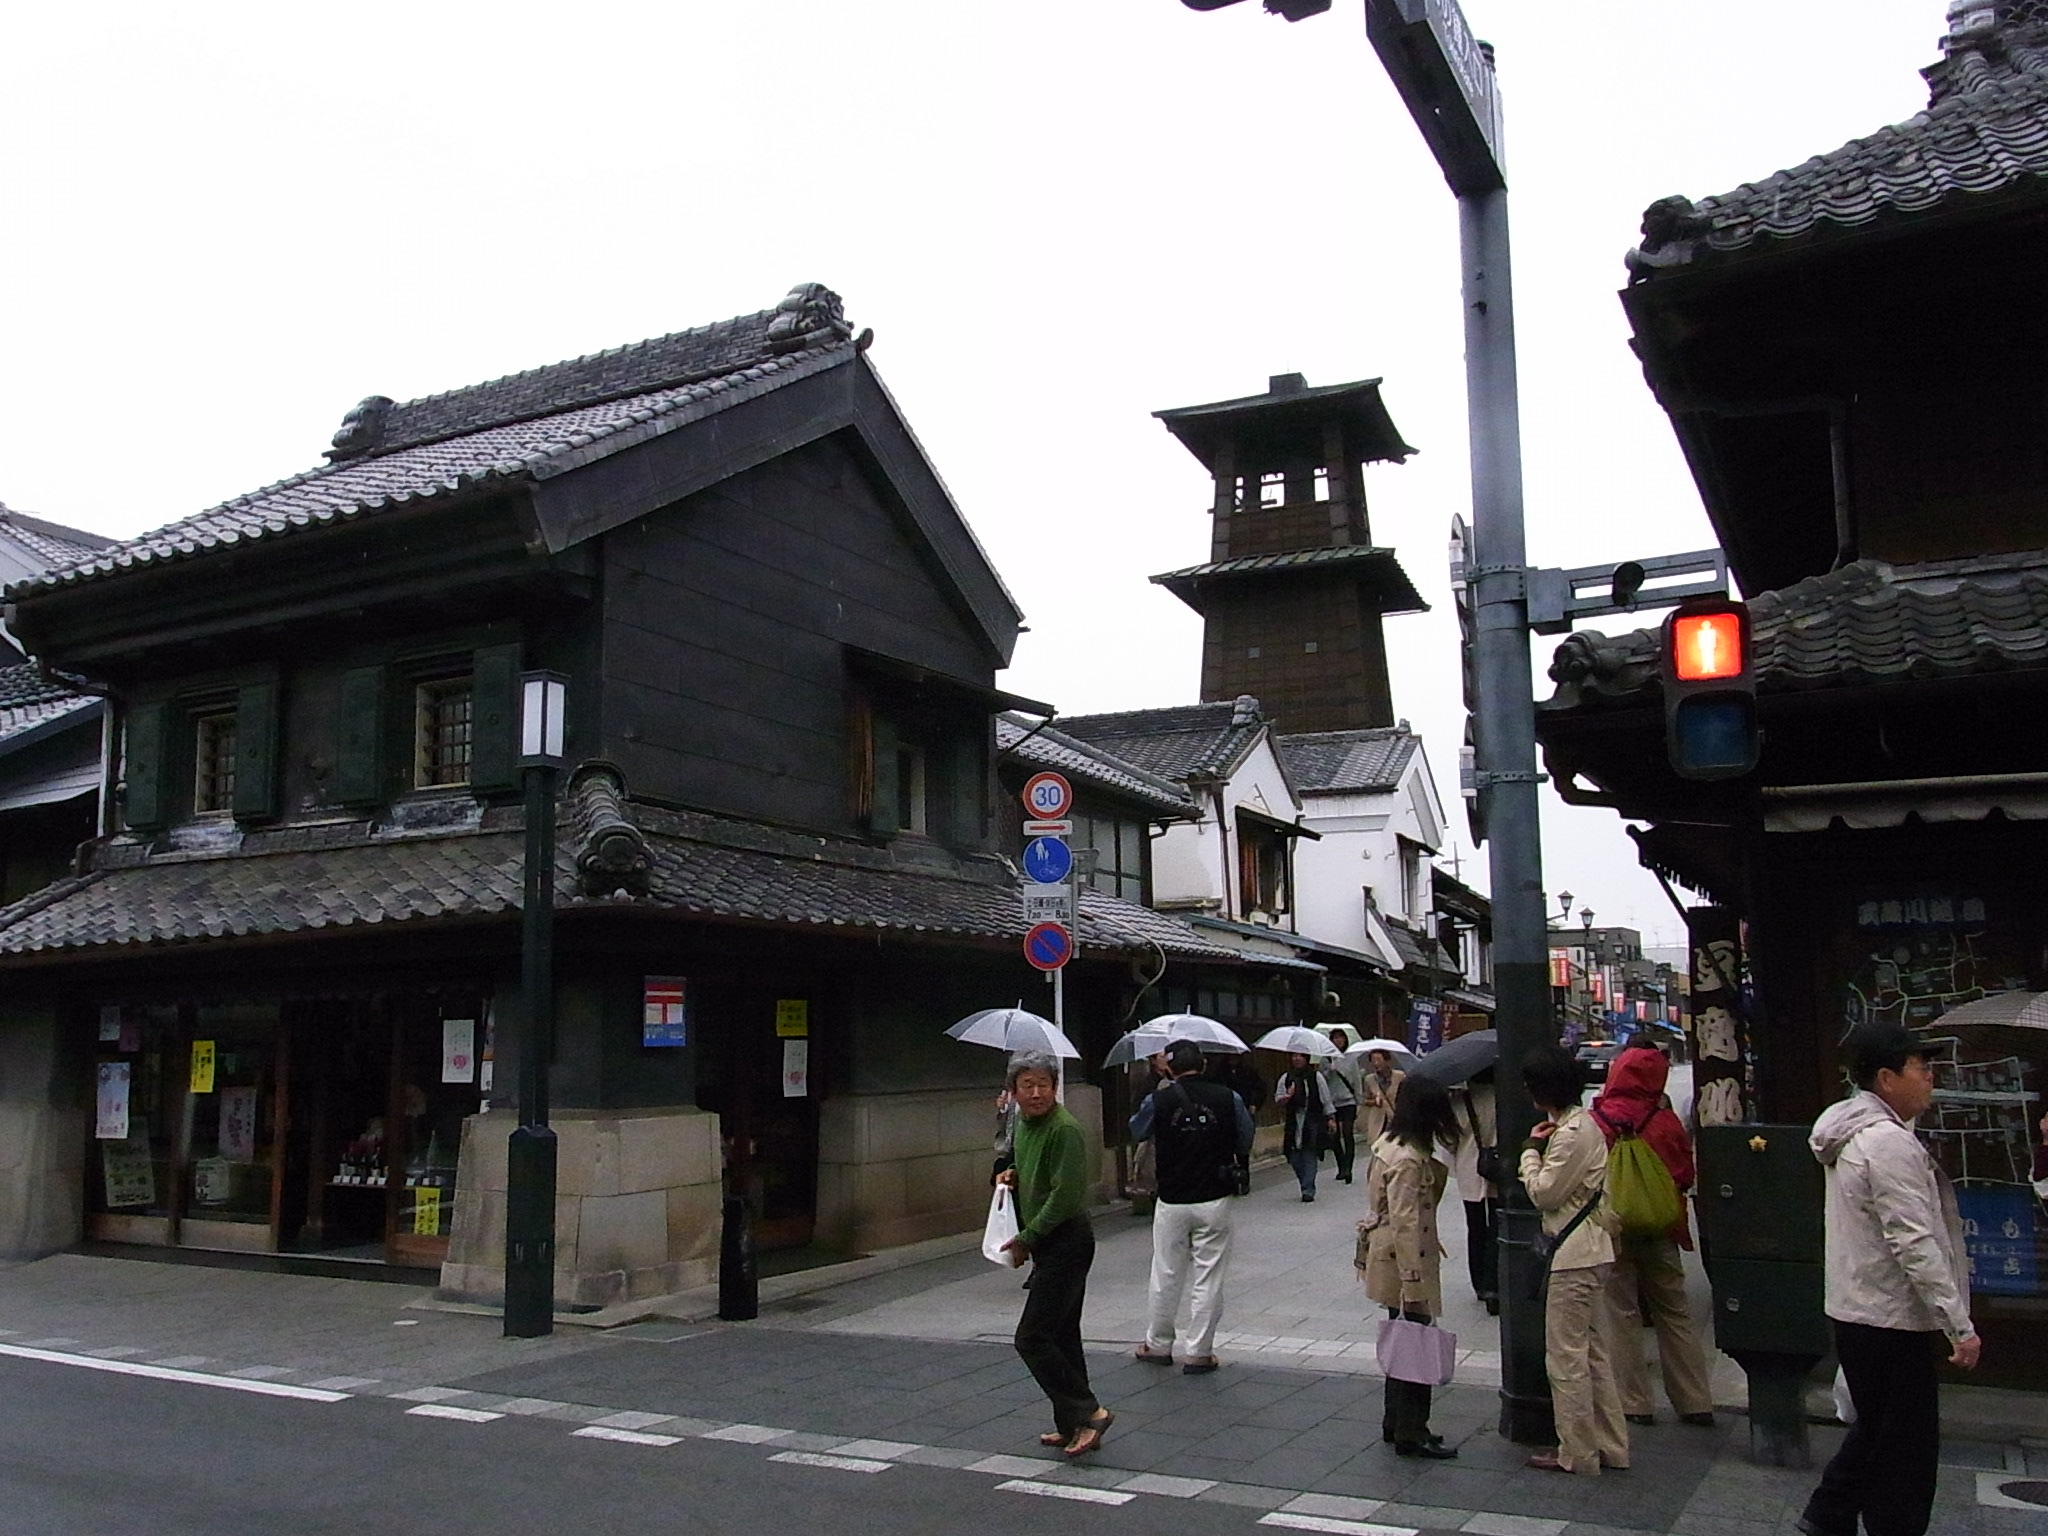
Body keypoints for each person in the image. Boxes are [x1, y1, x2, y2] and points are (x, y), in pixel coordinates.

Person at [1797, 1025, 1979, 1536]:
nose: (1931, 1078)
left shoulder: (1857, 1132)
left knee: (1881, 1432)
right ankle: (1842, 1516)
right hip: (1888, 1315)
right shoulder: (1885, 1143)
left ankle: (1829, 1515)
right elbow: (1914, 1242)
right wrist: (1957, 1325)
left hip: (1862, 1308)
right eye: (1921, 1068)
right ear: (1886, 1078)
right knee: (1905, 1447)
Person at [1589, 1040, 1716, 1428]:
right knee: (1674, 1311)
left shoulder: (1599, 1120)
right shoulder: (1664, 1122)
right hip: (1661, 1228)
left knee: (1621, 1311)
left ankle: (1634, 1402)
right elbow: (1684, 1173)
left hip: (1616, 1226)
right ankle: (1694, 1399)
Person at [995, 1050, 1114, 1457]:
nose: (1036, 1093)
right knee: (1063, 1336)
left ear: (1055, 1088)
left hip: (1068, 1242)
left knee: (1031, 1337)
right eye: (1027, 1085)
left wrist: (1027, 1236)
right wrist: (1010, 1174)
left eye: (1044, 1084)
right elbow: (1023, 1166)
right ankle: (1073, 1424)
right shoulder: (1021, 1122)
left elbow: (1066, 1196)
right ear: (1013, 1091)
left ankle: (1090, 1412)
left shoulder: (1064, 1129)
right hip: (1049, 1244)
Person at [1518, 1042, 1629, 1477]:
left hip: (1572, 1256)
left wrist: (1528, 1154)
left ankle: (1577, 1451)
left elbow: (1545, 1193)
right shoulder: (1581, 1126)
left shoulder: (1570, 1135)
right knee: (1595, 1353)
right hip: (1592, 1248)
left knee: (1565, 1356)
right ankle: (1610, 1445)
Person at [1129, 1039, 1256, 1375]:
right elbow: (1245, 1138)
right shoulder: (1229, 1097)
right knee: (1209, 1275)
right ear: (1203, 1064)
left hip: (1171, 1198)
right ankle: (1199, 1352)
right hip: (1215, 1197)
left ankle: (1157, 1344)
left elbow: (1137, 1129)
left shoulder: (1159, 1099)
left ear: (1169, 1068)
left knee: (1166, 1272)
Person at [1359, 1072, 1463, 1459]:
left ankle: (1396, 1422)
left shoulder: (1389, 1142)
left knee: (1402, 1338)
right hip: (1404, 1259)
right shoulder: (1407, 1159)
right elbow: (1406, 1221)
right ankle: (1411, 1430)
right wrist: (1413, 1280)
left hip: (1388, 1254)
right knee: (1415, 1340)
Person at [1448, 1071, 1500, 1315]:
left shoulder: (1461, 1102)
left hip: (1470, 1169)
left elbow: (1449, 1141)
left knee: (1476, 1229)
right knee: (1498, 1228)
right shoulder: (1503, 1098)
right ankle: (1495, 1281)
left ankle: (1479, 1283)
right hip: (1498, 1170)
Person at [1277, 1051, 1335, 1202]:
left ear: (1306, 1058)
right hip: (1293, 1120)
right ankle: (1304, 1181)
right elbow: (1278, 1099)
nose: (1297, 1059)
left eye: (1300, 1056)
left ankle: (1308, 1188)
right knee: (1294, 1156)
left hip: (1312, 1118)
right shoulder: (1286, 1077)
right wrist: (1287, 1097)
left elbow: (1325, 1098)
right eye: (1294, 1056)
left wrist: (1330, 1117)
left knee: (1310, 1152)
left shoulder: (1316, 1076)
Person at [1323, 1030, 1362, 1183]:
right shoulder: (1325, 1059)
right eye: (1335, 1038)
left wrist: (1359, 1099)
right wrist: (1329, 1070)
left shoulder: (1351, 1058)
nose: (1338, 1041)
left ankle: (1348, 1168)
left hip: (1348, 1100)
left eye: (1341, 1038)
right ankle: (1341, 1165)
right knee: (1334, 1136)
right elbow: (1322, 1080)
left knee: (1347, 1133)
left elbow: (1356, 1079)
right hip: (1332, 1102)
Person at [1360, 1048, 1407, 1149]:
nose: (1376, 1063)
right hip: (1378, 1120)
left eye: (1379, 1060)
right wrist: (1373, 1102)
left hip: (1395, 1118)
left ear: (1387, 1061)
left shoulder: (1400, 1076)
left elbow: (1406, 1096)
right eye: (1373, 1060)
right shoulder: (1369, 1079)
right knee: (1378, 1148)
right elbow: (1364, 1100)